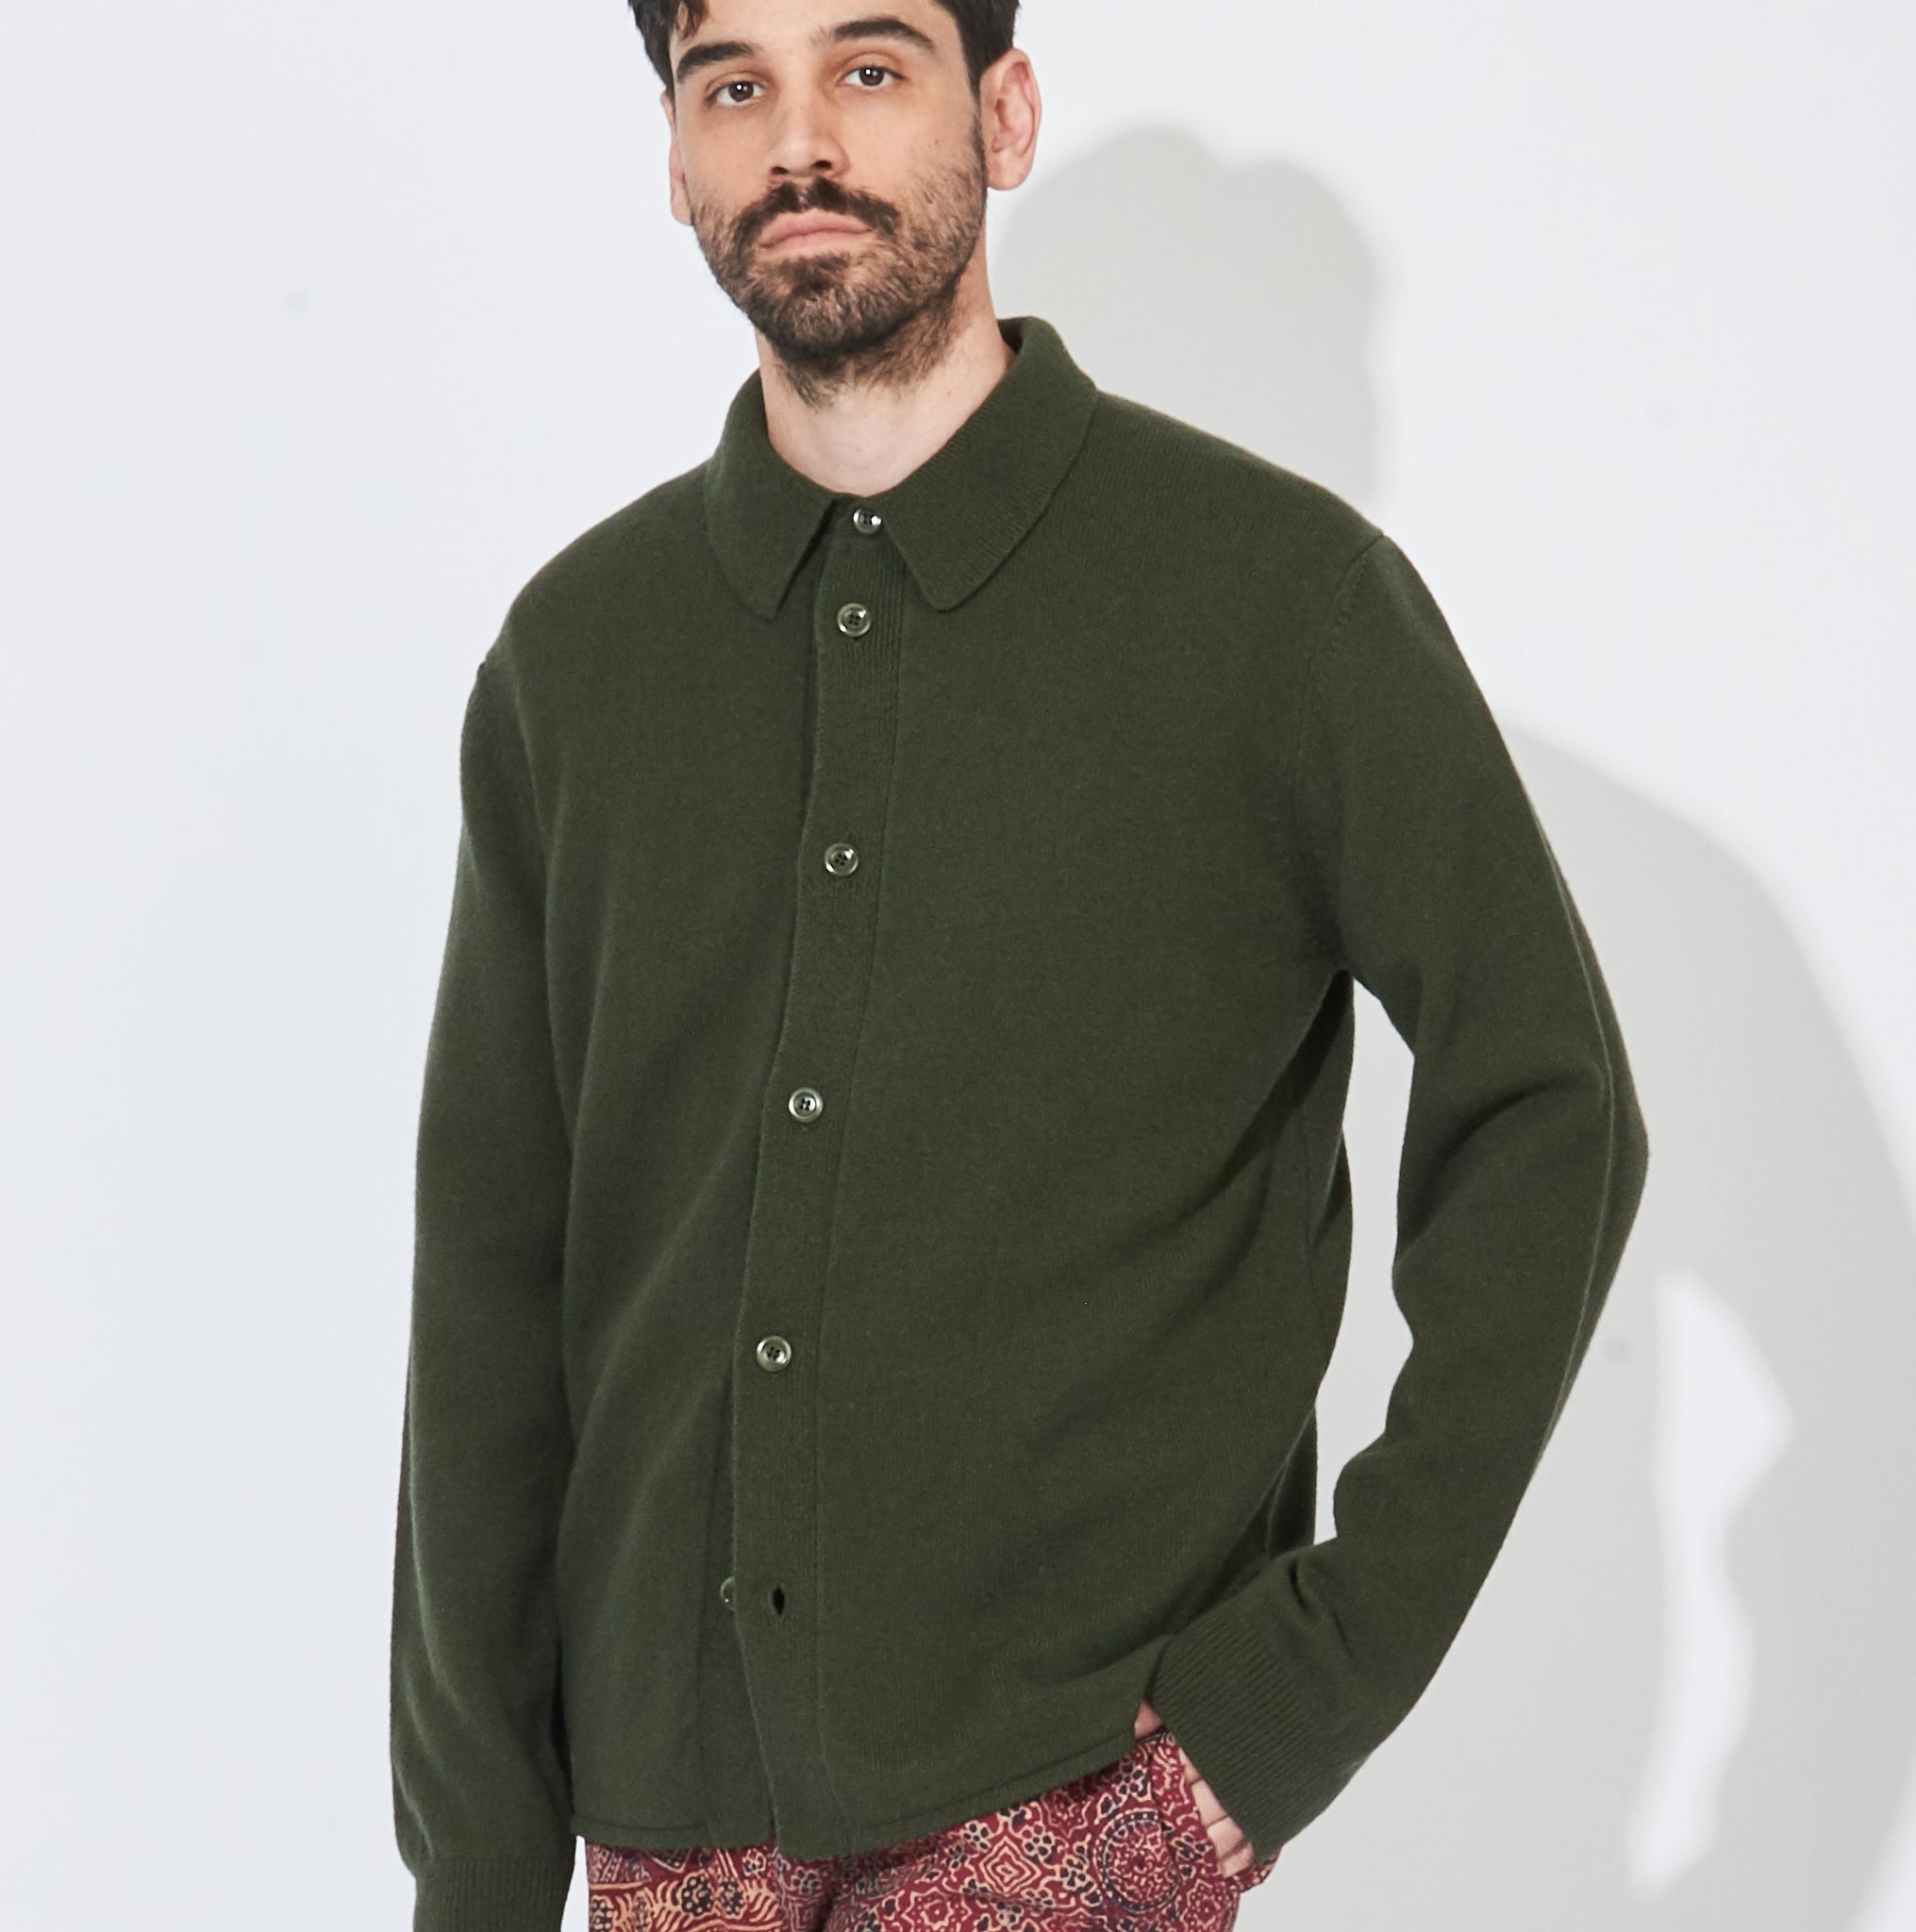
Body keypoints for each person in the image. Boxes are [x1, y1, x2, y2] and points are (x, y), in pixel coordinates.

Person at [387, 3, 1652, 1928]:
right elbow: (491, 1277)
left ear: (1006, 112)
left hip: (1064, 1804)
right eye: (734, 85)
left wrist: (1284, 1704)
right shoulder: (576, 661)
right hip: (664, 1819)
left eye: (867, 67)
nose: (798, 142)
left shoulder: (1277, 602)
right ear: (676, 157)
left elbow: (1551, 1109)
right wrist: (475, 1874)